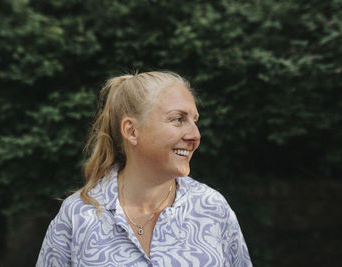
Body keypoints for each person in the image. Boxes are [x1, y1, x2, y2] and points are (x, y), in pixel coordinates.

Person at [36, 71, 252, 266]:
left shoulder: (212, 208)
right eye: (178, 119)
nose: (195, 135)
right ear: (131, 131)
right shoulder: (78, 215)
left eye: (195, 121)